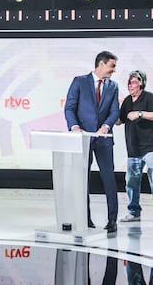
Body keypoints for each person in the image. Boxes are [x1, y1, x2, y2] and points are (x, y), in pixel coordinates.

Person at [64, 51, 119, 233]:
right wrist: (74, 127)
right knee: (82, 180)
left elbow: (114, 112)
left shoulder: (113, 86)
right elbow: (70, 108)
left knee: (109, 179)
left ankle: (112, 220)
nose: (114, 70)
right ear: (101, 64)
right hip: (82, 139)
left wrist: (106, 126)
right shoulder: (79, 81)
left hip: (103, 140)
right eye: (112, 66)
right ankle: (84, 218)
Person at [116, 70, 153, 222]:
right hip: (133, 150)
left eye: (134, 82)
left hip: (150, 148)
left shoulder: (149, 97)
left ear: (142, 83)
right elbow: (119, 120)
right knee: (131, 182)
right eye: (129, 82)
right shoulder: (127, 101)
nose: (131, 85)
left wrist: (139, 114)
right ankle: (134, 212)